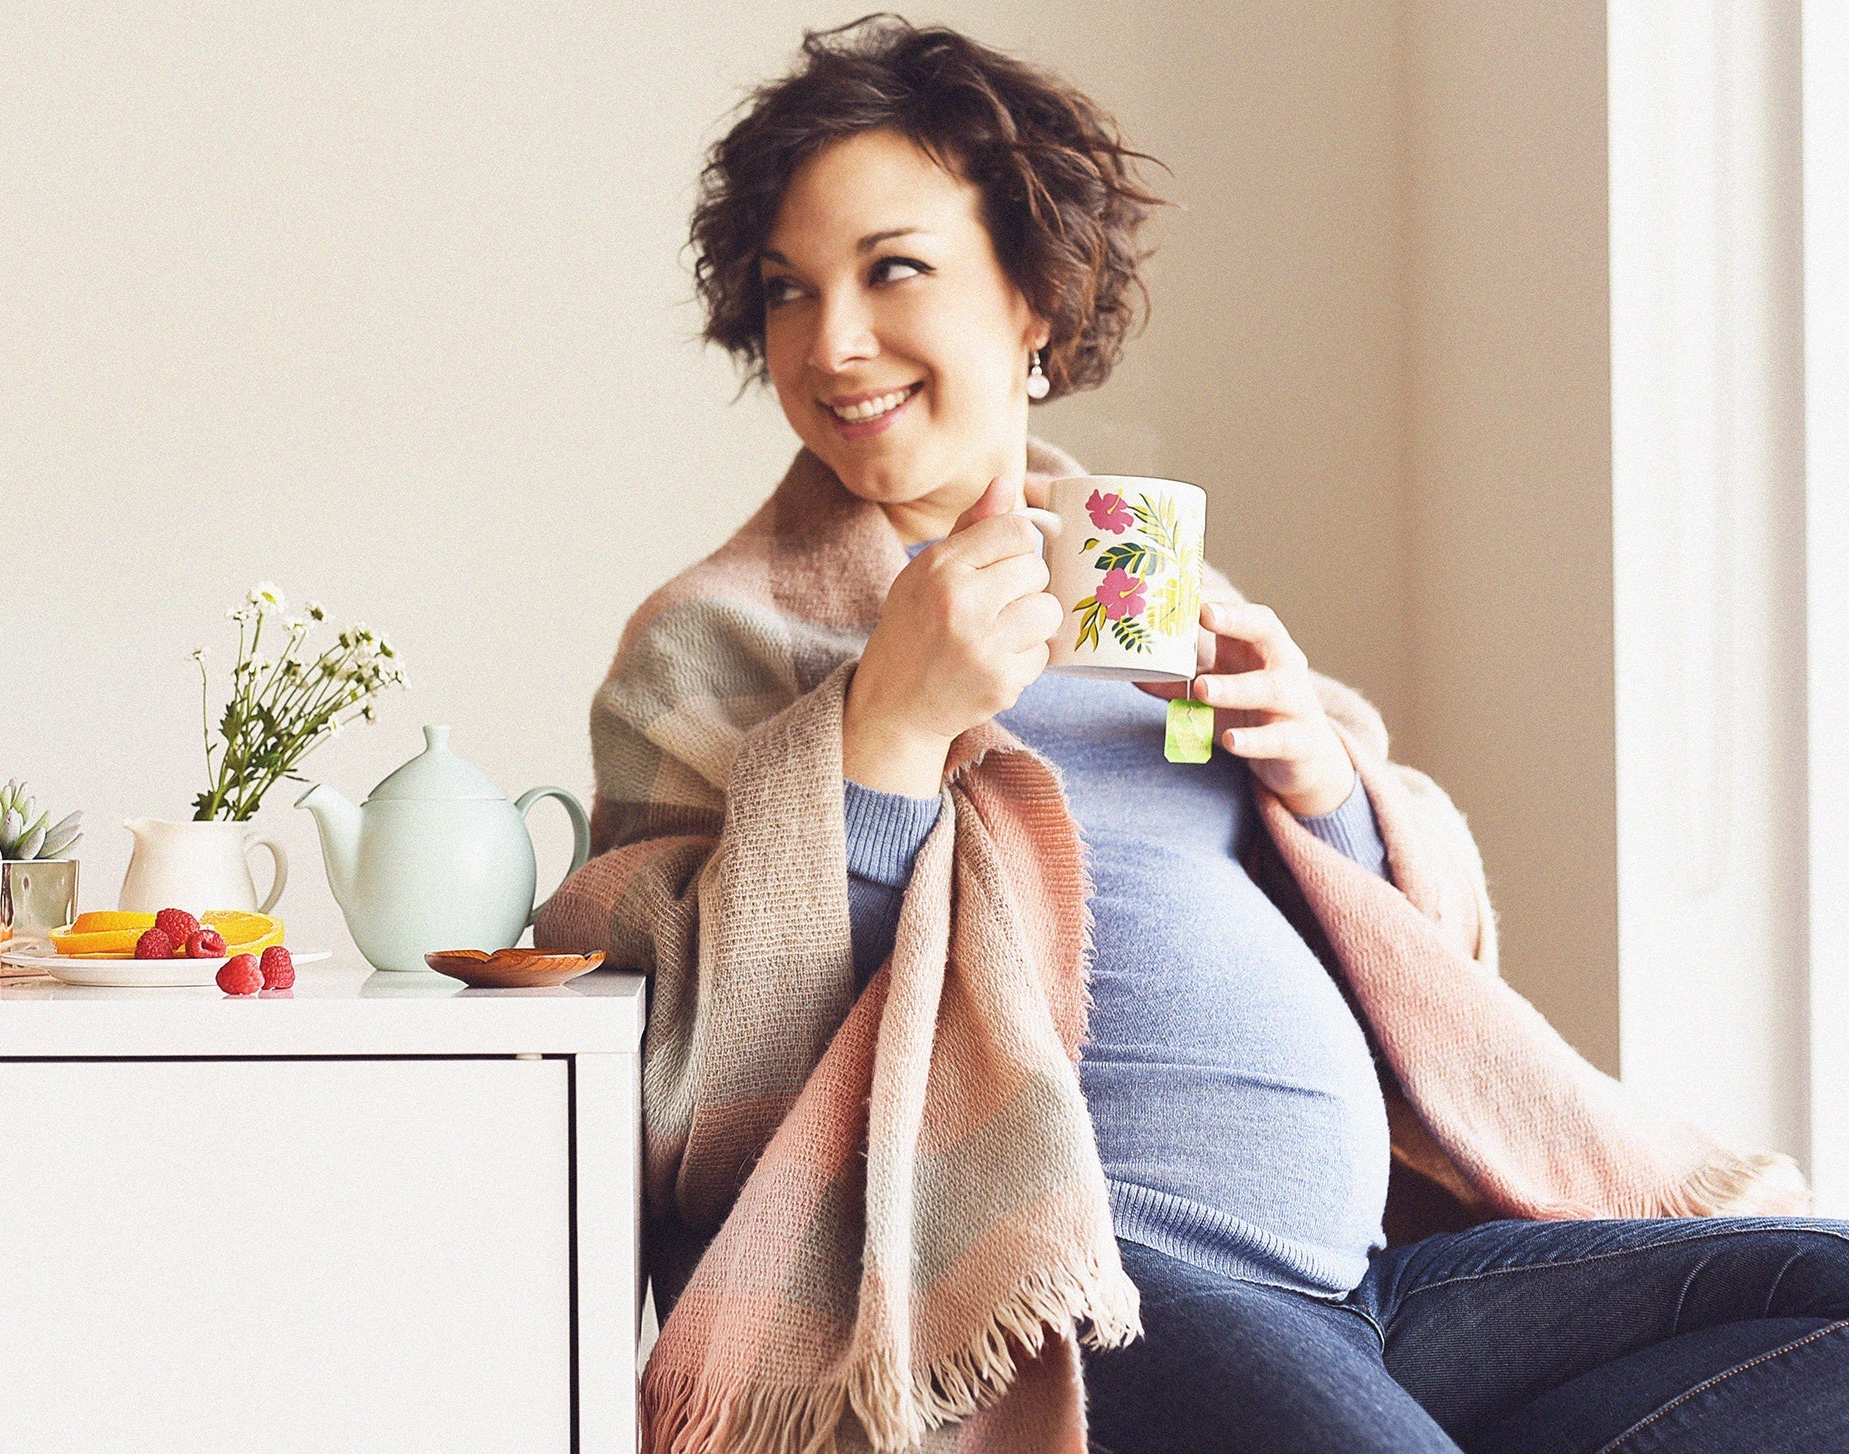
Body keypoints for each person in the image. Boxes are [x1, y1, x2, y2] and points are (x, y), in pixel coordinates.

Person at [538, 17, 1849, 1453]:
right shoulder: (718, 643)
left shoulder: (1154, 591)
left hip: (1355, 1289)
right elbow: (696, 1109)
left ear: (1031, 297)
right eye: (787, 291)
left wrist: (1329, 795)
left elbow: (1429, 976)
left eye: (890, 267)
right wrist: (877, 744)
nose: (829, 341)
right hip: (1081, 1300)